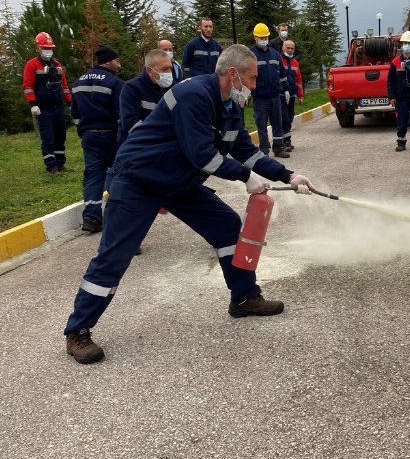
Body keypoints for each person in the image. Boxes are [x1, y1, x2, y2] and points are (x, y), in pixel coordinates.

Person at [63, 44, 315, 364]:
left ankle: (244, 297)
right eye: (251, 79)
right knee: (115, 254)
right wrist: (245, 177)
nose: (254, 86)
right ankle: (78, 331)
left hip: (178, 182)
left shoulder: (229, 104)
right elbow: (202, 155)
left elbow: (245, 150)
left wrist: (288, 175)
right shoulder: (194, 95)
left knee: (226, 226)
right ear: (233, 74)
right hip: (137, 181)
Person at [70, 45, 124, 233]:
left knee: (93, 175)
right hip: (110, 135)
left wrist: (84, 129)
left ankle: (91, 217)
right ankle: (118, 218)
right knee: (120, 174)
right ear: (109, 61)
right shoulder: (115, 83)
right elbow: (121, 114)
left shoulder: (78, 82)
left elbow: (75, 114)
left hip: (89, 136)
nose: (119, 65)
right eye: (117, 61)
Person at [23, 32, 73, 174]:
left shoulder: (57, 65)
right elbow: (28, 87)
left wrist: (70, 103)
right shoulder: (32, 65)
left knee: (60, 136)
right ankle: (51, 166)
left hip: (58, 107)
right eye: (45, 48)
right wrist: (33, 104)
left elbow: (64, 86)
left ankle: (60, 163)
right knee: (48, 138)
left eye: (50, 48)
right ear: (38, 48)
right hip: (44, 109)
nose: (48, 51)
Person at [249, 22, 289, 158]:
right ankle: (264, 150)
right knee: (261, 125)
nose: (264, 40)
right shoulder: (250, 54)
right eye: (261, 37)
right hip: (259, 97)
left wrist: (286, 90)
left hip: (275, 95)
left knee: (277, 123)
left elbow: (282, 74)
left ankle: (278, 148)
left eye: (265, 37)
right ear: (255, 37)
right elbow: (246, 75)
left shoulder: (275, 54)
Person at [119, 49, 173, 144]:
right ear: (149, 70)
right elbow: (130, 122)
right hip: (136, 145)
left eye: (170, 68)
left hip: (164, 146)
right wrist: (155, 138)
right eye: (164, 69)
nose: (169, 73)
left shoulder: (174, 88)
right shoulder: (132, 88)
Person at [279, 39, 303, 153]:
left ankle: (287, 140)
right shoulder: (279, 60)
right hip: (281, 95)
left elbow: (298, 80)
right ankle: (284, 141)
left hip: (292, 94)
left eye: (292, 48)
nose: (290, 50)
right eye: (288, 48)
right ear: (283, 48)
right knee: (284, 118)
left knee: (290, 117)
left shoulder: (295, 63)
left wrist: (300, 95)